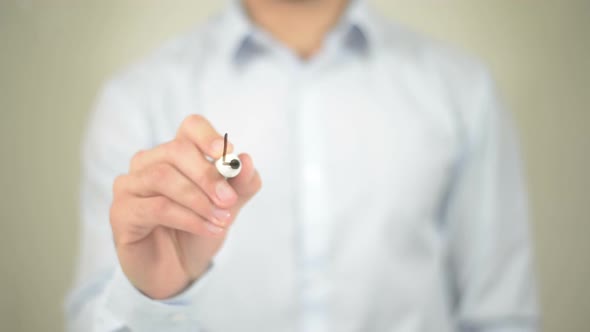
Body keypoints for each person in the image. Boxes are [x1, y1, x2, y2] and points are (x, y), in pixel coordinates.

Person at [65, 0, 538, 331]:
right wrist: (152, 299)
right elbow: (94, 318)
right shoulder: (137, 100)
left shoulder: (463, 92)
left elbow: (499, 317)